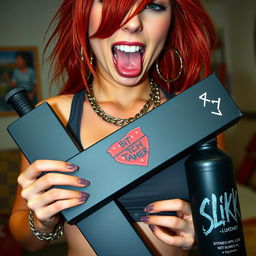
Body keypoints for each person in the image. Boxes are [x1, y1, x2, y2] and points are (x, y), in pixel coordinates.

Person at [9, 0, 215, 255]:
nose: (132, 23)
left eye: (153, 5)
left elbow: (226, 227)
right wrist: (42, 220)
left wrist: (210, 233)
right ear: (83, 16)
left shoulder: (198, 114)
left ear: (172, 20)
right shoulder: (52, 117)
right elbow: (25, 239)